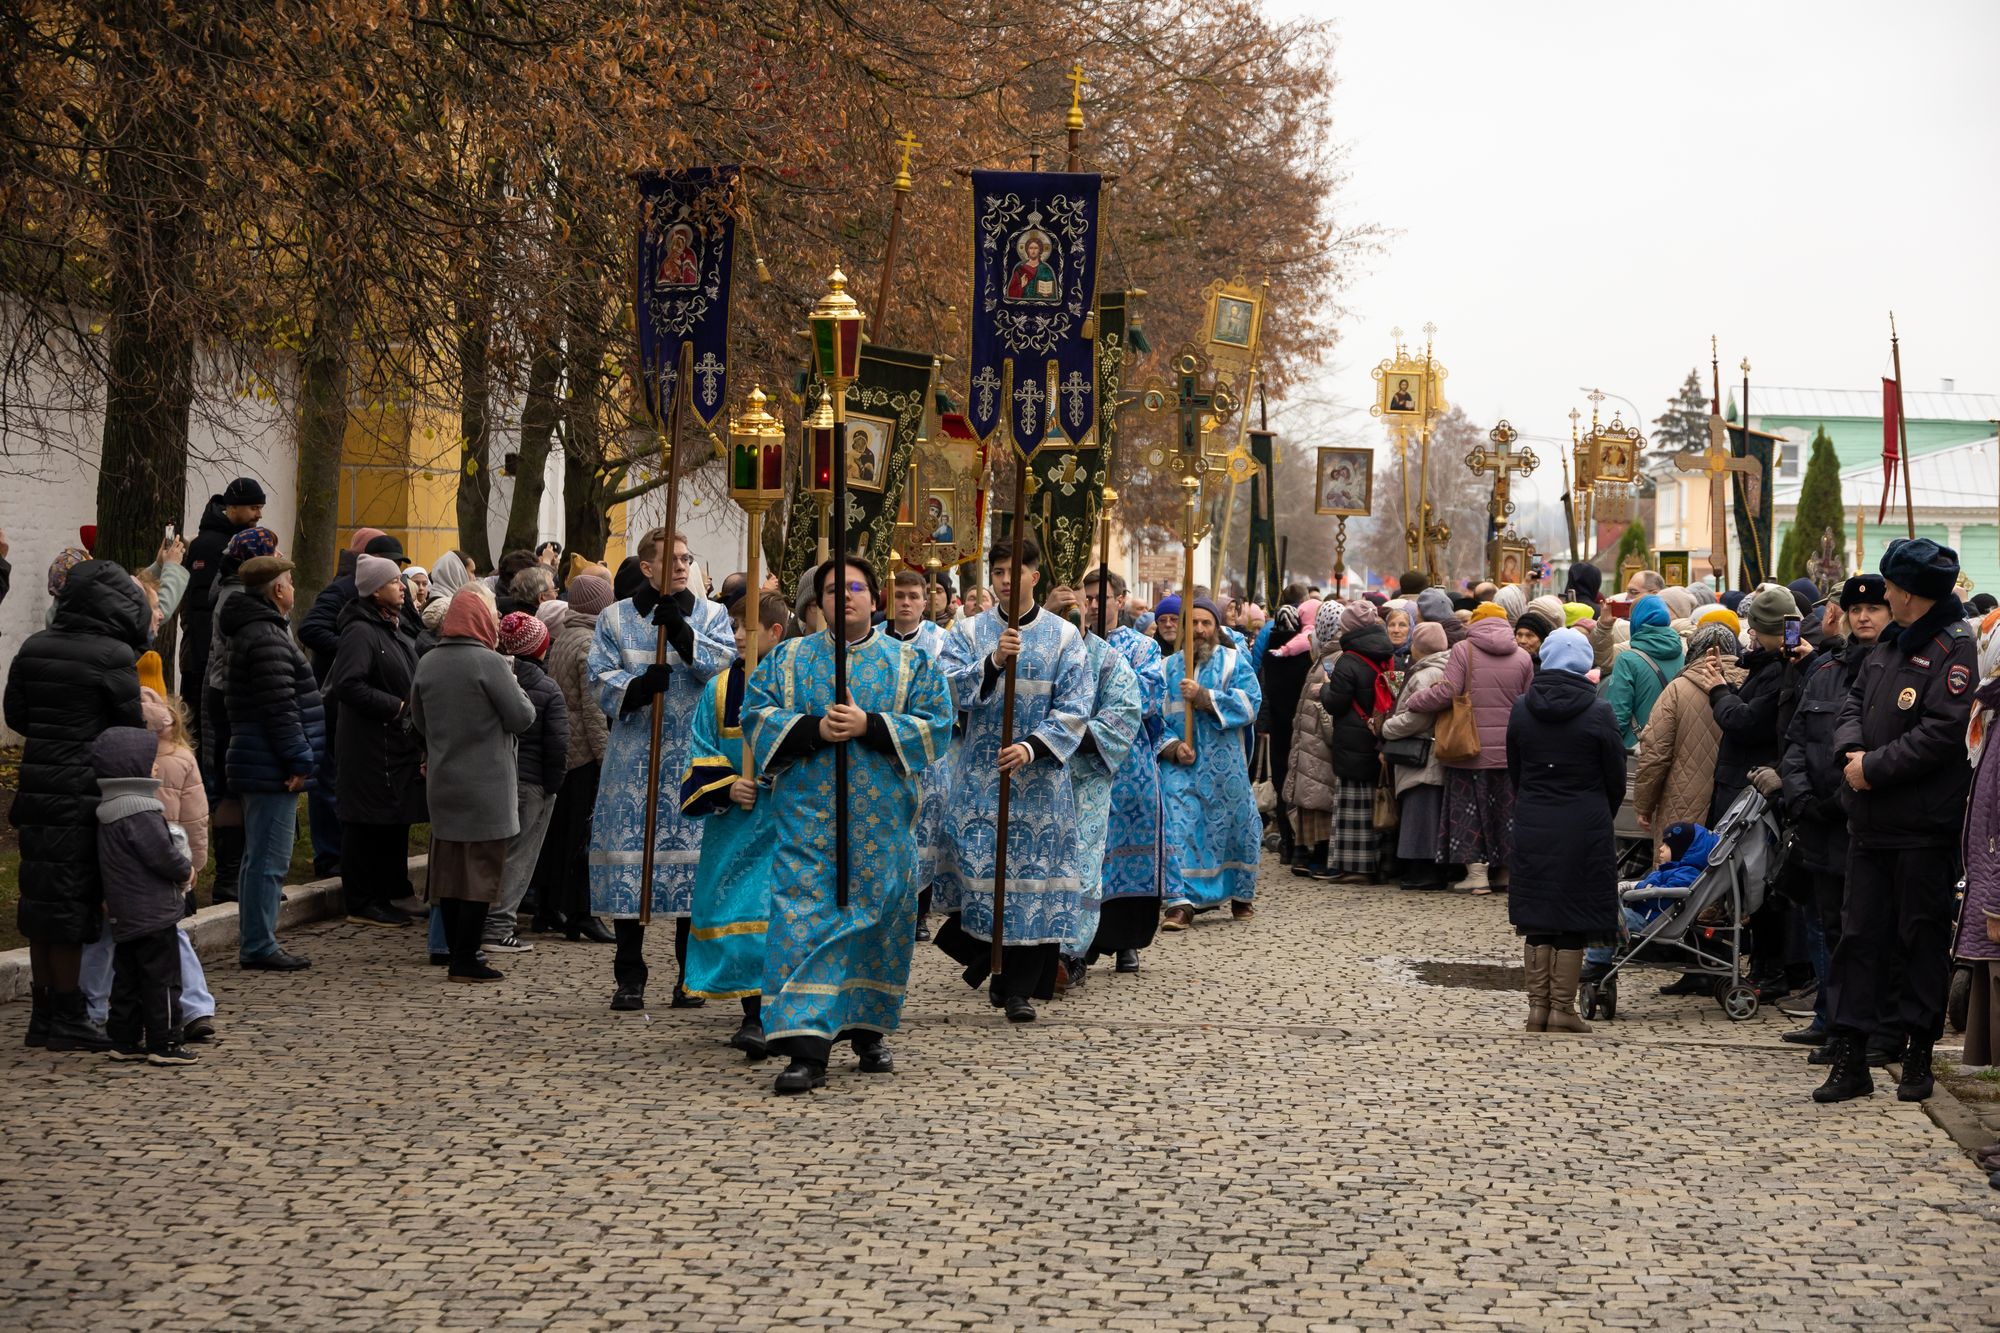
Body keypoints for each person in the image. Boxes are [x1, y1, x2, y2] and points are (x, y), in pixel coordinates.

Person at [745, 557, 954, 1093]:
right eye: (835, 589)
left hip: (882, 826)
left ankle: (867, 1032)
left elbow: (938, 725)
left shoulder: (909, 663)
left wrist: (871, 724)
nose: (847, 596)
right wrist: (815, 728)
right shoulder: (788, 659)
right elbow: (755, 716)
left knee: (877, 925)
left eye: (856, 587)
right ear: (820, 602)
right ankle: (807, 1048)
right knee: (803, 923)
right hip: (806, 826)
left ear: (874, 597)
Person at [1815, 539, 1976, 1104]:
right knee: (1858, 941)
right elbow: (1852, 705)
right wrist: (1850, 753)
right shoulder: (1889, 643)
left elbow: (1943, 732)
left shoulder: (1955, 647)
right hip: (1870, 824)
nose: (1882, 595)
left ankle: (1917, 1055)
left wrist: (1874, 769)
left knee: (1920, 942)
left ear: (1908, 593)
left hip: (1922, 828)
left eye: (1888, 586)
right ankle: (1851, 1057)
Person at [930, 538, 1093, 1021]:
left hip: (1039, 785)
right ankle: (993, 967)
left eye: (1013, 571)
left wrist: (1031, 746)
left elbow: (1076, 706)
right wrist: (993, 663)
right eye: (998, 572)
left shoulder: (1064, 637)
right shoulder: (969, 630)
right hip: (980, 780)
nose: (1004, 580)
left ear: (1033, 577)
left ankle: (1019, 988)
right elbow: (946, 688)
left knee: (1033, 884)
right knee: (981, 878)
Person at [587, 529, 735, 1010]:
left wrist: (685, 636)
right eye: (671, 559)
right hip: (635, 760)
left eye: (686, 558)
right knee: (631, 867)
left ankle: (690, 977)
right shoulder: (614, 617)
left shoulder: (711, 614)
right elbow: (599, 677)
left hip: (692, 757)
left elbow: (726, 669)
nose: (681, 565)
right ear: (647, 567)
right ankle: (629, 976)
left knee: (694, 871)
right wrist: (638, 687)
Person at [7, 558, 150, 1050]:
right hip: (83, 790)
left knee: (41, 902)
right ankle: (68, 1016)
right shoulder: (114, 655)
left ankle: (44, 1015)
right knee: (70, 903)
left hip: (37, 787)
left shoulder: (34, 646)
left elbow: (17, 714)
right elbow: (129, 729)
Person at [681, 591, 792, 1059]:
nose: (737, 636)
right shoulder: (720, 688)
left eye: (747, 627)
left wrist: (785, 777)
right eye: (733, 626)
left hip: (789, 820)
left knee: (776, 914)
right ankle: (753, 1011)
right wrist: (728, 786)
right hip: (737, 825)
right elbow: (701, 747)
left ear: (775, 632)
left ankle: (767, 1016)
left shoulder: (800, 681)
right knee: (740, 916)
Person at [1779, 574, 1888, 1049]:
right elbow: (1796, 740)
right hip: (1818, 826)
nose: (1863, 617)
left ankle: (1860, 1029)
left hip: (1862, 822)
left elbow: (1878, 750)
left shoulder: (1892, 668)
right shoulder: (1824, 670)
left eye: (1874, 609)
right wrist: (1801, 796)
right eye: (1855, 610)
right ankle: (1829, 1018)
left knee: (1862, 929)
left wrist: (1838, 800)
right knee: (1826, 925)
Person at [410, 591, 536, 981]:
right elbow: (522, 717)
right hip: (487, 786)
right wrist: (515, 684)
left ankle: (455, 953)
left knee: (449, 874)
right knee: (481, 873)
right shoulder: (490, 662)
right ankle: (466, 958)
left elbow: (418, 720)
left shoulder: (428, 662)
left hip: (444, 781)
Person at [1506, 628, 1626, 1033]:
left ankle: (1537, 1008)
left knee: (1538, 914)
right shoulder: (1599, 711)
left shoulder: (1522, 708)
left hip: (1534, 818)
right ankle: (1562, 1008)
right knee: (1574, 914)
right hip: (1583, 821)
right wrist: (1599, 812)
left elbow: (1516, 769)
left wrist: (1532, 801)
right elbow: (1615, 777)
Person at [218, 557, 325, 972]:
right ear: (278, 590)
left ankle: (257, 939)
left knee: (258, 856)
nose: (294, 588)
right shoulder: (266, 636)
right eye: (290, 582)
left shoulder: (259, 630)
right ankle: (259, 943)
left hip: (259, 757)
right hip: (269, 762)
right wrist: (299, 759)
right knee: (268, 859)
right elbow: (280, 707)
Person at [1399, 599, 1534, 893]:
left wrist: (1415, 700)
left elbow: (1447, 692)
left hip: (1469, 747)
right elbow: (1527, 702)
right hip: (1508, 751)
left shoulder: (1464, 650)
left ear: (1475, 622)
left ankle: (1477, 874)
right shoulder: (1523, 657)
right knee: (1506, 813)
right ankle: (1505, 873)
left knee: (1470, 809)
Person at [322, 554, 427, 928]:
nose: (403, 587)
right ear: (374, 590)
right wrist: (396, 707)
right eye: (394, 581)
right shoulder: (360, 631)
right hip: (368, 745)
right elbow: (347, 684)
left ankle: (389, 891)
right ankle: (363, 901)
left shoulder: (390, 627)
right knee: (366, 822)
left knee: (391, 818)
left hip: (393, 744)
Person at [1047, 583, 1142, 988]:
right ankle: (1028, 950)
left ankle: (1070, 953)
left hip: (1086, 779)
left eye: (1077, 605)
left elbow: (1123, 715)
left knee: (1082, 863)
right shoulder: (1035, 651)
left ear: (1088, 607)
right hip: (1036, 775)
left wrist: (1065, 733)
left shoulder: (1108, 660)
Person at [88, 725, 200, 1066]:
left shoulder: (111, 807)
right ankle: (165, 1041)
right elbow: (160, 853)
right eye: (150, 760)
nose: (155, 765)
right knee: (162, 979)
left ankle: (123, 1039)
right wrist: (185, 870)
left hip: (125, 910)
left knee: (128, 978)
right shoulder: (139, 810)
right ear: (131, 766)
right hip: (152, 910)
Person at [1159, 598, 1264, 929]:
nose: (1200, 629)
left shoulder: (1233, 661)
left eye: (1206, 623)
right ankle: (1181, 902)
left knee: (1238, 826)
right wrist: (1172, 746)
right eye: (1194, 623)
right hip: (1182, 766)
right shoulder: (1166, 668)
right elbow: (1154, 718)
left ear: (1216, 627)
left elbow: (1251, 703)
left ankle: (1240, 894)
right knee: (1177, 825)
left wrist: (1205, 697)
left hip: (1225, 768)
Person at [1080, 569, 1166, 972]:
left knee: (1130, 849)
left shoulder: (1142, 646)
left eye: (1102, 597)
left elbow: (1149, 698)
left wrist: (1110, 686)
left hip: (1131, 765)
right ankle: (1081, 940)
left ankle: (1127, 941)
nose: (1094, 605)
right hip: (1083, 759)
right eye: (1088, 598)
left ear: (1120, 600)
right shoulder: (1071, 642)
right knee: (1087, 853)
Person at [472, 611, 569, 956]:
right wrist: (553, 785)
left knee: (490, 854)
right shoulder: (547, 688)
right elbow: (557, 745)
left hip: (495, 778)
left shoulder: (489, 677)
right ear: (540, 647)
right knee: (518, 857)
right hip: (532, 782)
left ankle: (477, 922)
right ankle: (498, 926)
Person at [538, 574, 617, 943]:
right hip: (584, 751)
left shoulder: (566, 635)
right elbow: (593, 709)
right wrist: (606, 758)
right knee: (583, 835)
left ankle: (549, 906)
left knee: (559, 834)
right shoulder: (588, 643)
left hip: (566, 748)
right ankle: (580, 912)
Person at [179, 477, 266, 749]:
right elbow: (200, 610)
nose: (259, 515)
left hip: (216, 658)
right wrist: (207, 661)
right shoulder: (208, 545)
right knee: (203, 735)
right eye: (253, 508)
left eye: (260, 508)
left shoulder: (234, 540)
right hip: (204, 659)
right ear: (233, 507)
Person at [1318, 600, 1395, 884]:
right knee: (1376, 802)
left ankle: (1357, 867)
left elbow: (1336, 703)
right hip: (1377, 736)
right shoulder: (1387, 653)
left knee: (1353, 807)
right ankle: (1381, 863)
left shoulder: (1348, 659)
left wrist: (1325, 688)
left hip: (1352, 739)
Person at [1382, 621, 1451, 891]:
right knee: (1426, 813)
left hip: (1423, 754)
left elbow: (1418, 718)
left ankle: (1425, 873)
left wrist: (1388, 727)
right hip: (1432, 752)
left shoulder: (1426, 673)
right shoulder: (1444, 667)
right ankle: (1424, 871)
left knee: (1422, 814)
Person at [1281, 602, 1339, 879]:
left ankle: (1315, 853)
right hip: (1311, 736)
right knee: (1311, 794)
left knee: (1316, 795)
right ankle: (1307, 852)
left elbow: (1328, 697)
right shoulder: (1325, 654)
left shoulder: (1331, 657)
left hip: (1317, 738)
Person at [1261, 596, 1318, 868]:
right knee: (1301, 786)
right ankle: (1301, 845)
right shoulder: (1308, 653)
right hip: (1303, 728)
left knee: (1283, 782)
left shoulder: (1271, 653)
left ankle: (1287, 842)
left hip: (1279, 728)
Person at [1603, 594, 1683, 748]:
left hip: (1637, 747)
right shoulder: (1683, 655)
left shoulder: (1627, 659)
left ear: (1636, 621)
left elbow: (1617, 716)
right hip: (1673, 747)